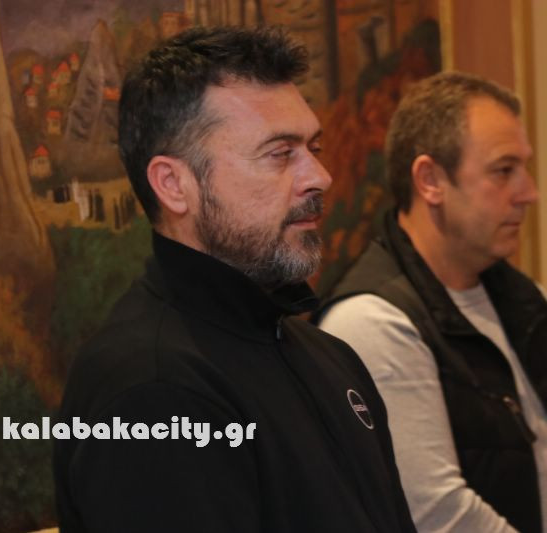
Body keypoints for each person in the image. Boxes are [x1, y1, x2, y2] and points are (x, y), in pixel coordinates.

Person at [53, 26, 416, 533]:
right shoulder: (151, 392)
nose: (320, 176)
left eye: (313, 147)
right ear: (174, 185)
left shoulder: (328, 357)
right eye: (280, 153)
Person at [316, 72, 547, 533]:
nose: (529, 193)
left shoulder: (526, 299)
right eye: (503, 171)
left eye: (524, 168)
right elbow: (436, 511)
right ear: (430, 181)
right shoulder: (372, 322)